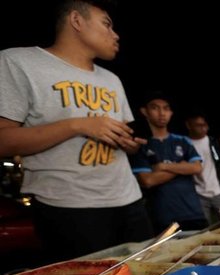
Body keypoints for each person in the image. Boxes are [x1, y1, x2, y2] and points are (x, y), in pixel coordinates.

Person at [0, 0, 153, 261]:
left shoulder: (111, 79)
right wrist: (78, 124)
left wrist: (128, 143)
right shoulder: (19, 61)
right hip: (68, 206)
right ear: (76, 21)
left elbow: (123, 135)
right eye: (107, 24)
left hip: (129, 199)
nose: (115, 34)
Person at [131, 92, 207, 233]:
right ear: (144, 112)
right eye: (155, 108)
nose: (162, 113)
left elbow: (197, 167)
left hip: (193, 213)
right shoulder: (141, 144)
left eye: (166, 108)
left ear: (171, 113)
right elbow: (147, 180)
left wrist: (162, 167)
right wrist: (182, 166)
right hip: (162, 216)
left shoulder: (183, 141)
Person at [186, 111, 220, 224]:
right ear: (188, 125)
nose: (203, 128)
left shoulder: (214, 142)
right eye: (198, 125)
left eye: (205, 125)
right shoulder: (184, 144)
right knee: (204, 227)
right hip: (198, 194)